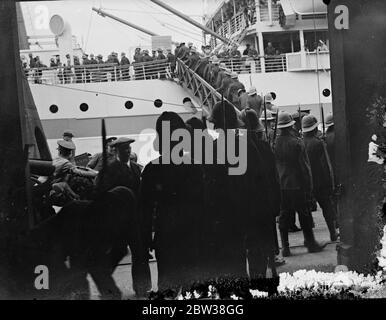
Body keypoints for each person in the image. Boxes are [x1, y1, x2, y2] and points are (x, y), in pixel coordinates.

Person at [140, 112, 205, 293]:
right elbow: (202, 206)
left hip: (165, 236)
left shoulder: (151, 170)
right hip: (191, 236)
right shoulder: (194, 167)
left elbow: (144, 211)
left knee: (168, 290)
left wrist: (145, 242)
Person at [205, 101, 248, 279]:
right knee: (238, 260)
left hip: (218, 215)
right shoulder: (244, 145)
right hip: (238, 212)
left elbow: (208, 185)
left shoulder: (210, 149)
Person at [274, 112, 326, 257]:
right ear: (291, 126)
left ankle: (285, 247)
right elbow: (305, 168)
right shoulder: (297, 143)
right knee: (304, 215)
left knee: (284, 215)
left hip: (282, 185)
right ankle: (311, 244)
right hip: (298, 185)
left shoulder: (275, 143)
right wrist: (309, 188)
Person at [240, 108, 283, 277]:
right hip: (265, 205)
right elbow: (274, 179)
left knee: (252, 248)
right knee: (267, 242)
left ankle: (256, 276)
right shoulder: (265, 147)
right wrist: (276, 204)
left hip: (249, 207)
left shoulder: (238, 149)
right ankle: (269, 268)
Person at [302, 115, 338, 241]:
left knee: (305, 212)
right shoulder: (318, 143)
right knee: (327, 208)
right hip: (320, 182)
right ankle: (333, 233)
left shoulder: (301, 142)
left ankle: (309, 239)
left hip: (306, 182)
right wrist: (330, 183)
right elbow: (326, 166)